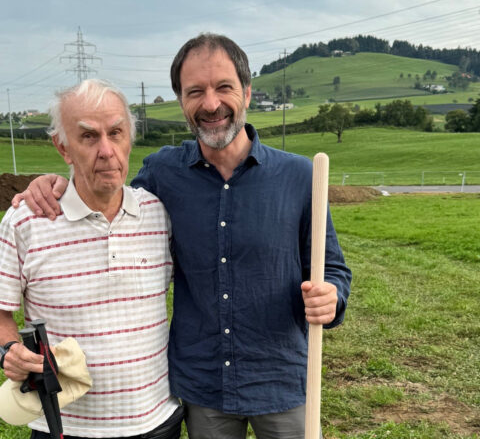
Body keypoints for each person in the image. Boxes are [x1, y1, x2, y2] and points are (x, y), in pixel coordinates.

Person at [13, 34, 352, 439]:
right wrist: (56, 183)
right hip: (203, 385)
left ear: (246, 92)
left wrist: (332, 295)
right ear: (182, 102)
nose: (211, 104)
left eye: (223, 87)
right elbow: (108, 192)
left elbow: (331, 267)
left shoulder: (300, 177)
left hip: (280, 379)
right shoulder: (161, 174)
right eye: (195, 91)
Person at [0, 79, 183, 439]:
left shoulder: (160, 215)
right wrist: (8, 349)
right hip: (65, 426)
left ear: (130, 136)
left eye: (116, 133)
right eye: (87, 137)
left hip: (157, 421)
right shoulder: (25, 223)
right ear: (62, 146)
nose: (106, 150)